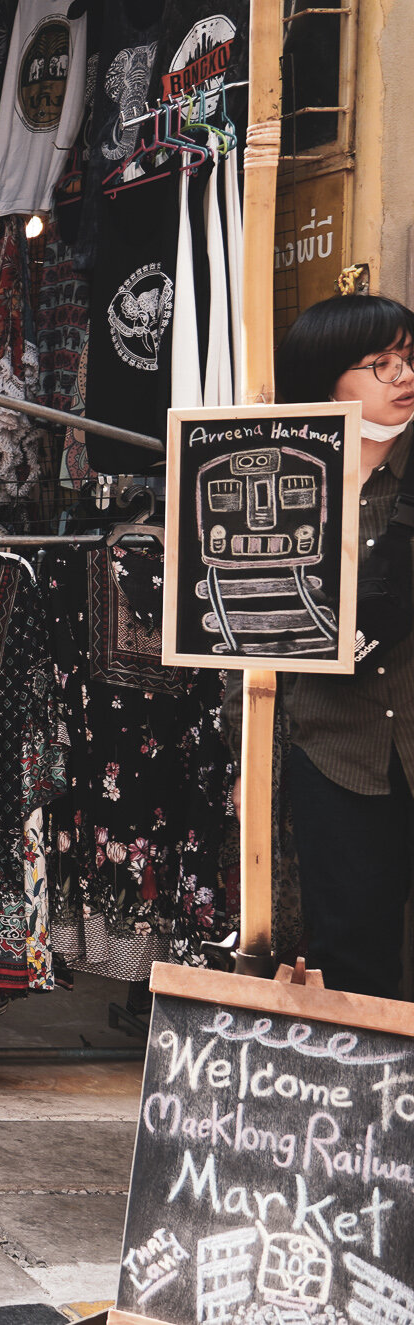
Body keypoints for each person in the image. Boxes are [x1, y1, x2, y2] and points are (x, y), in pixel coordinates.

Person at [260, 292, 414, 998]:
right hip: (332, 753)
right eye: (380, 362)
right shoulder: (287, 484)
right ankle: (365, 1109)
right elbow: (245, 633)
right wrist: (250, 760)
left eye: (408, 357)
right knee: (351, 953)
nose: (403, 373)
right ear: (330, 379)